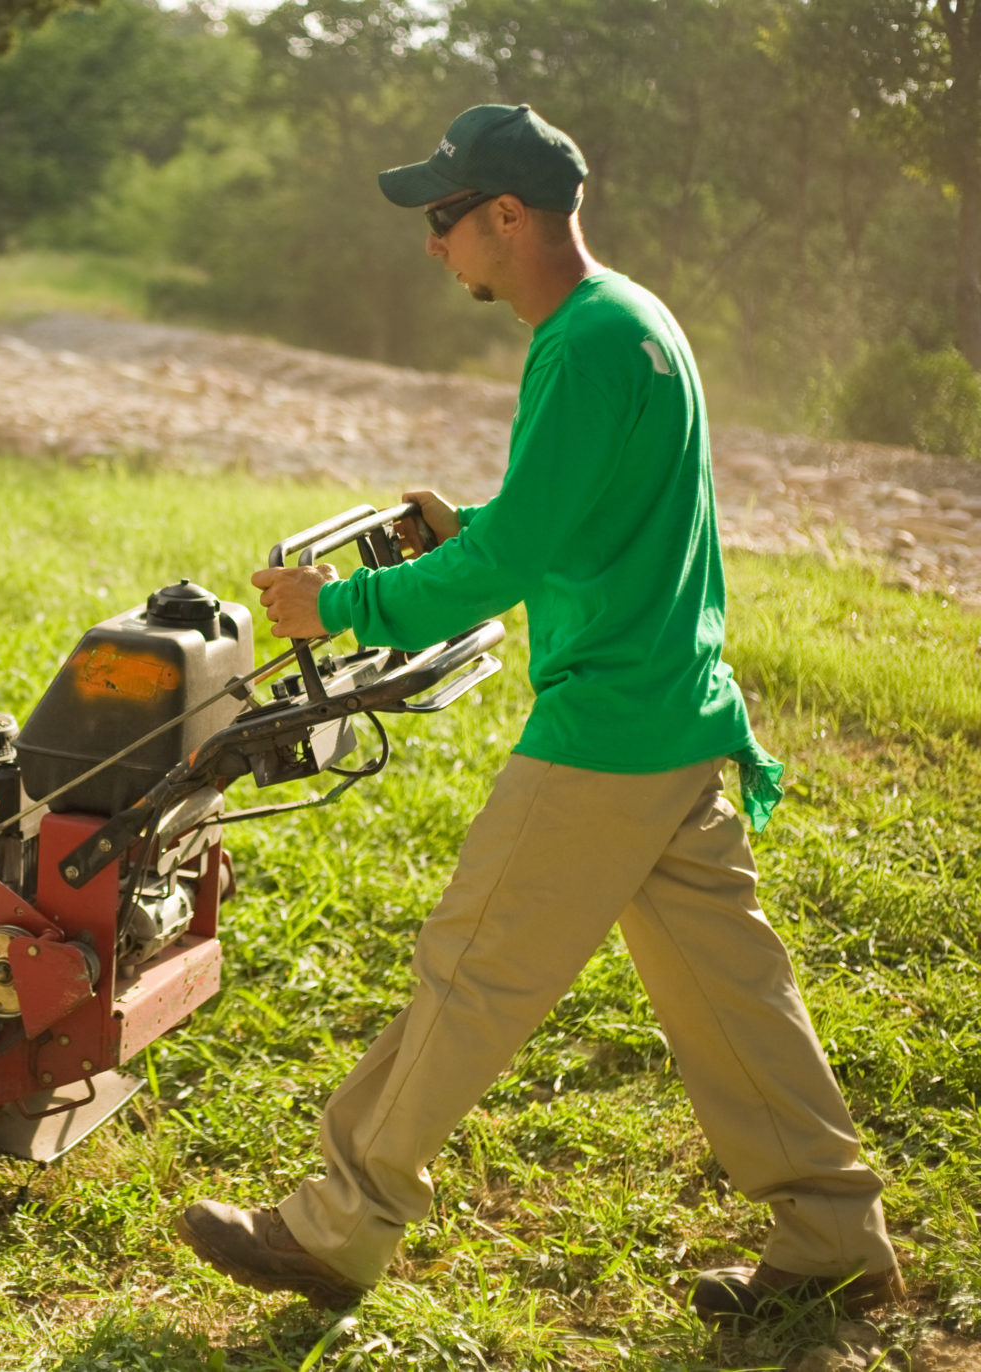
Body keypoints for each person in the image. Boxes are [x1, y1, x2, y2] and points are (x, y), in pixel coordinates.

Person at [175, 103, 901, 1322]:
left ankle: (338, 1225)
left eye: (443, 217)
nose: (433, 244)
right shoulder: (640, 320)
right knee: (734, 996)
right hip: (677, 710)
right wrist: (464, 541)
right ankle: (833, 1231)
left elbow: (521, 548)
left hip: (608, 736)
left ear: (506, 214)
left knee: (465, 972)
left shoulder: (582, 340)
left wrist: (341, 601)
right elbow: (583, 528)